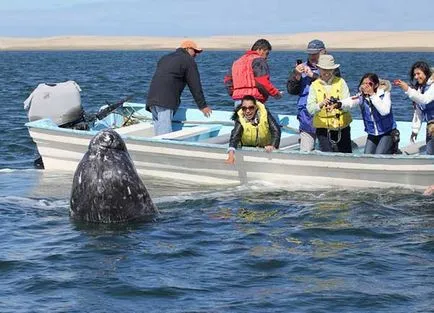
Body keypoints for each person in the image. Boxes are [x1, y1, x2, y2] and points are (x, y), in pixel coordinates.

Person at [146, 40, 212, 135]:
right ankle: (164, 149)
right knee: (164, 135)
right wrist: (203, 106)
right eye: (195, 51)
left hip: (152, 100)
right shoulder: (188, 60)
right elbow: (195, 85)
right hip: (166, 101)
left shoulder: (165, 58)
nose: (196, 55)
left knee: (158, 129)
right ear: (188, 49)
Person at [339, 73, 398, 154]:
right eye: (364, 83)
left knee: (378, 155)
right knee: (366, 155)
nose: (366, 86)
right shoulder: (361, 96)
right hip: (372, 134)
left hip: (387, 132)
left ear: (376, 85)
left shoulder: (384, 94)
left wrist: (372, 95)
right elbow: (350, 102)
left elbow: (385, 111)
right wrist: (338, 104)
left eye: (369, 84)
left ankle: (393, 149)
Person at [287, 39, 327, 151]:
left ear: (323, 52)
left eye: (315, 54)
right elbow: (291, 90)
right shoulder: (301, 67)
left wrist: (312, 75)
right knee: (305, 150)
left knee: (327, 149)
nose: (312, 57)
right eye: (310, 54)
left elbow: (332, 84)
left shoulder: (330, 68)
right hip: (306, 118)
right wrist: (297, 76)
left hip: (325, 118)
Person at [307, 54, 352, 153]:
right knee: (328, 155)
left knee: (346, 156)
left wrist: (338, 105)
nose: (326, 72)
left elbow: (349, 104)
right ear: (318, 69)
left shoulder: (341, 82)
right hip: (323, 129)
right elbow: (310, 109)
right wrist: (321, 104)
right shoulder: (314, 86)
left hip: (342, 128)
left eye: (329, 69)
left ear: (333, 70)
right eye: (324, 69)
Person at [223, 39, 283, 107]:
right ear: (260, 50)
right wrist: (276, 94)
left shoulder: (236, 62)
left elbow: (227, 81)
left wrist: (234, 93)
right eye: (267, 53)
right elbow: (262, 81)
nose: (266, 57)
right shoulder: (259, 60)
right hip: (254, 101)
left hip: (238, 101)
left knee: (241, 117)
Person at [225, 95, 281, 164]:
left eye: (251, 108)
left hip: (266, 147)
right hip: (247, 147)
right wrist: (231, 155)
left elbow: (276, 130)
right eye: (244, 108)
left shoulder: (265, 114)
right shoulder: (240, 118)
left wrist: (273, 146)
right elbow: (235, 136)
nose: (247, 111)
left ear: (256, 107)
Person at [394, 61, 434, 155]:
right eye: (414, 74)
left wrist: (407, 89)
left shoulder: (433, 86)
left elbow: (424, 100)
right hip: (430, 126)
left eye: (418, 73)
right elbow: (418, 112)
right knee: (430, 154)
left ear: (426, 73)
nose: (416, 77)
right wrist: (415, 131)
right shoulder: (419, 89)